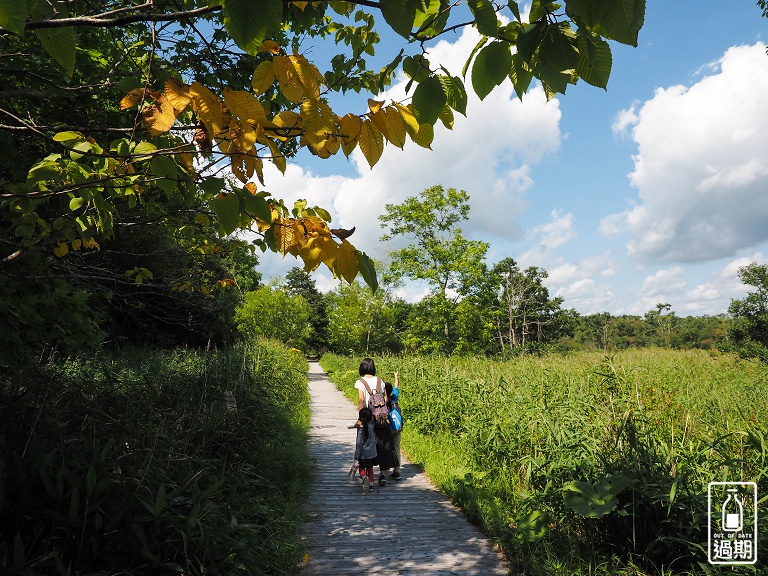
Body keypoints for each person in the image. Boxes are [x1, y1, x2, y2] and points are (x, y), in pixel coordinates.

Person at [354, 358, 396, 486]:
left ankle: (367, 476)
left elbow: (361, 400)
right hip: (381, 419)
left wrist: (361, 419)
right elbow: (385, 399)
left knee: (367, 446)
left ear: (362, 368)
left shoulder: (360, 382)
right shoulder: (380, 381)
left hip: (368, 420)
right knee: (383, 446)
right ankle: (383, 475)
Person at [354, 407, 377, 493]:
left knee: (362, 468)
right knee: (370, 469)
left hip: (363, 454)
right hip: (372, 454)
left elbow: (359, 444)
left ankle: (364, 478)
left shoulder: (360, 430)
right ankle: (371, 485)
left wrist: (356, 456)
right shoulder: (372, 427)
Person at [385, 371, 402, 481]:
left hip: (387, 429)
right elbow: (396, 386)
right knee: (396, 448)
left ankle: (384, 470)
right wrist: (396, 376)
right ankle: (397, 471)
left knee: (385, 448)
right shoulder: (394, 399)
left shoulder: (383, 402)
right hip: (397, 429)